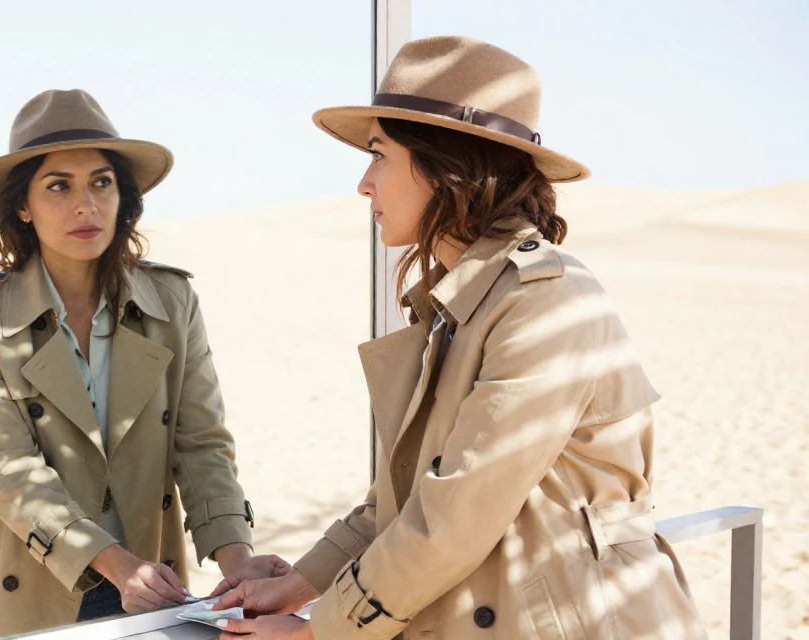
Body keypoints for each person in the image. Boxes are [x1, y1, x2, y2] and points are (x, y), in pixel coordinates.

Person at [210, 36, 707, 639]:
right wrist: (297, 585)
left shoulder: (544, 299)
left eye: (379, 155)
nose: (364, 184)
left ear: (445, 164)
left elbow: (456, 513)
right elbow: (404, 499)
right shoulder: (461, 303)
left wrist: (320, 631)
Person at [0, 89, 283, 639]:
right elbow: (6, 467)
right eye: (58, 186)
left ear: (124, 197)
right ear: (22, 206)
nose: (85, 204)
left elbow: (201, 442)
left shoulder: (171, 301)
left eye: (101, 182)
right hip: (26, 579)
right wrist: (114, 563)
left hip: (151, 582)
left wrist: (236, 556)